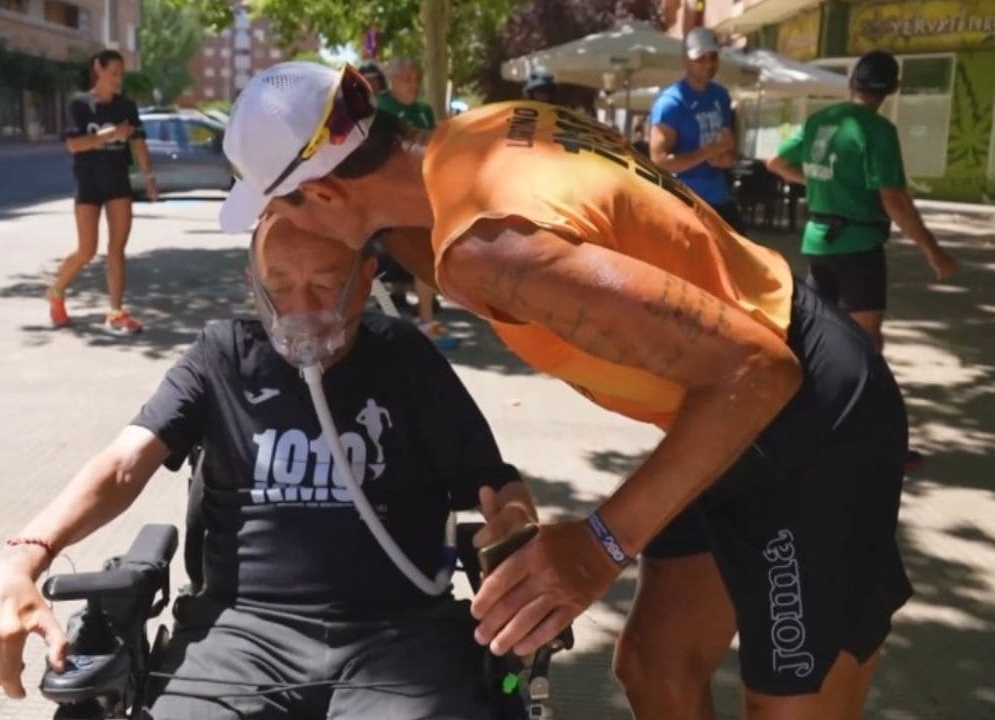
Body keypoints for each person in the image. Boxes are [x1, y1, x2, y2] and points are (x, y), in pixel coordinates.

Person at [217, 60, 914, 720]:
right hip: (723, 408)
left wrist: (597, 547)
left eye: (287, 210)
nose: (290, 228)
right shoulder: (479, 134)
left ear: (326, 193)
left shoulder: (491, 247)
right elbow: (391, 230)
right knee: (656, 668)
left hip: (807, 413)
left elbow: (758, 371)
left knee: (786, 705)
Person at [0, 214, 537, 719]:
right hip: (242, 634)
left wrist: (516, 527)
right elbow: (124, 463)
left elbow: (497, 486)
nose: (300, 310)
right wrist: (22, 555)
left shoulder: (406, 359)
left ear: (365, 281)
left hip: (399, 635)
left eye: (325, 285)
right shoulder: (223, 356)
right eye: (278, 286)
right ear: (252, 283)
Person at [766, 50, 957, 471]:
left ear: (853, 82)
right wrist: (933, 251)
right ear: (891, 89)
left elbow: (776, 162)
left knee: (819, 342)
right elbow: (894, 200)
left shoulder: (819, 121)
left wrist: (821, 184)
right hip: (857, 247)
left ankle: (805, 431)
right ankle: (874, 442)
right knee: (867, 348)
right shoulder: (877, 130)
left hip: (818, 243)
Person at [48, 49, 156, 335]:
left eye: (121, 74)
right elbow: (74, 145)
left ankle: (115, 313)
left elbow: (138, 142)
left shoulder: (126, 106)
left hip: (118, 182)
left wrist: (149, 176)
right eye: (113, 73)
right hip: (89, 183)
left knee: (116, 249)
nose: (118, 79)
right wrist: (110, 134)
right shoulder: (80, 105)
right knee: (87, 249)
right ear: (98, 69)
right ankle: (56, 291)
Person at [377, 57, 454, 347]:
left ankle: (426, 318)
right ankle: (388, 313)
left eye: (416, 77)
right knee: (384, 254)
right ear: (392, 80)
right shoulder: (380, 108)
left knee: (426, 252)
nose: (413, 83)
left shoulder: (423, 110)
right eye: (406, 77)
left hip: (421, 191)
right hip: (388, 194)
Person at [649, 27, 743, 231]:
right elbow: (659, 161)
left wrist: (728, 158)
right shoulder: (671, 102)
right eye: (700, 58)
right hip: (684, 203)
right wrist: (709, 152)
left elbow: (728, 146)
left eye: (713, 57)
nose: (708, 64)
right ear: (685, 60)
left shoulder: (721, 96)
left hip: (719, 199)